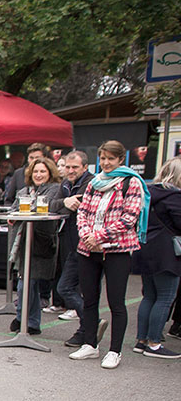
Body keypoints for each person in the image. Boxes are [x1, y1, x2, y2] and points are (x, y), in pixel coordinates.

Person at [68, 140, 148, 369]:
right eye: (103, 158)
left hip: (117, 250)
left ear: (121, 159)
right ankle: (90, 344)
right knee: (90, 299)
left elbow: (129, 218)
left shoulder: (131, 182)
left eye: (111, 159)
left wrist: (99, 236)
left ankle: (115, 351)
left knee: (116, 302)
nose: (106, 163)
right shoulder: (94, 182)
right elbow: (82, 211)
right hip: (88, 249)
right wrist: (86, 235)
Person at [130, 156, 181, 359]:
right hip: (167, 252)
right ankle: (154, 344)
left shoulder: (148, 193)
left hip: (145, 248)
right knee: (165, 297)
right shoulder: (175, 197)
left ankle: (141, 341)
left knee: (149, 296)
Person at [8, 157, 63, 336]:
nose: (38, 175)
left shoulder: (55, 189)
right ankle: (28, 320)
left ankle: (25, 319)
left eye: (42, 171)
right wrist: (11, 215)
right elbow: (14, 209)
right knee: (27, 283)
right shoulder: (24, 191)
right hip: (23, 242)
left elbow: (47, 209)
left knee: (29, 284)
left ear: (50, 173)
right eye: (36, 171)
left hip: (41, 242)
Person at [58, 151, 94, 336]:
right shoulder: (65, 183)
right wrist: (65, 201)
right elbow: (51, 203)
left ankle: (87, 329)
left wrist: (66, 202)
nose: (70, 171)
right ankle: (90, 324)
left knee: (87, 291)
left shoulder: (91, 184)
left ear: (85, 167)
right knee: (64, 287)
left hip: (90, 246)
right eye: (67, 167)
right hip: (72, 245)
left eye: (74, 167)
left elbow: (80, 205)